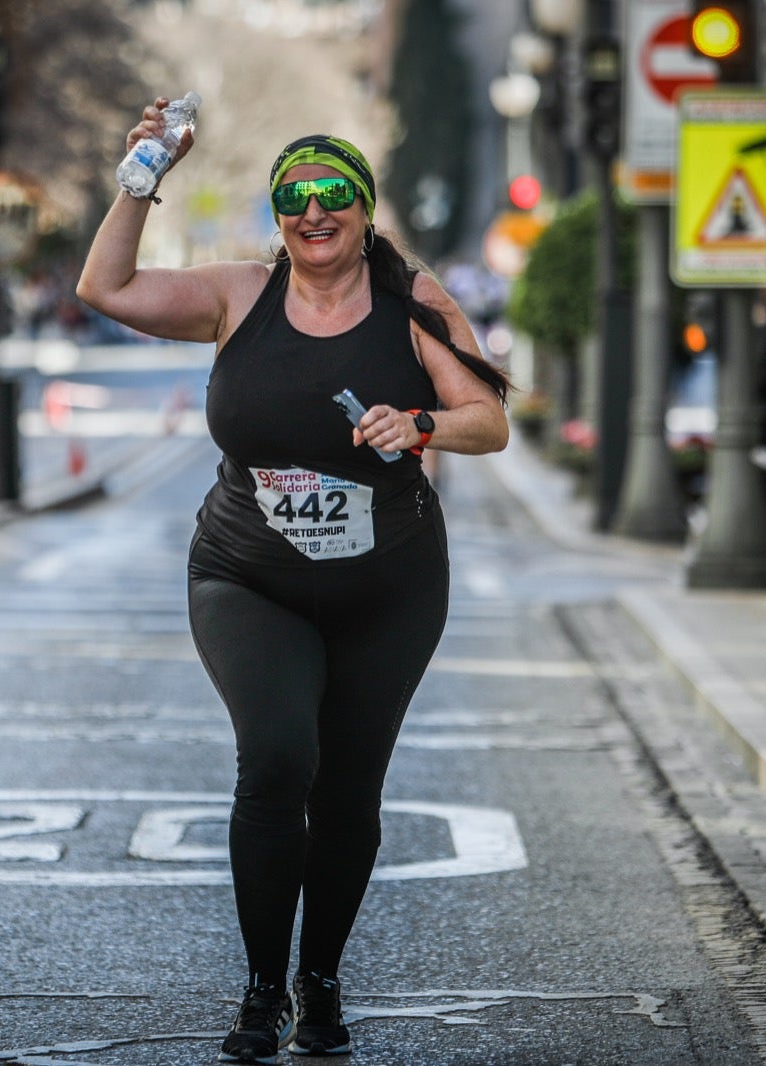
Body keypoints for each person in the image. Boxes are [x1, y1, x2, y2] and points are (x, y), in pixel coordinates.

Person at [78, 106, 510, 1063]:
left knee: (350, 788)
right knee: (276, 758)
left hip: (387, 589)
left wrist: (422, 427)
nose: (313, 212)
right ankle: (262, 989)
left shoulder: (413, 302)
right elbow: (103, 286)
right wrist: (145, 170)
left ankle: (322, 982)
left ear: (363, 208)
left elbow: (489, 417)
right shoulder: (238, 295)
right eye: (293, 198)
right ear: (277, 215)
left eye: (332, 196)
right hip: (248, 577)